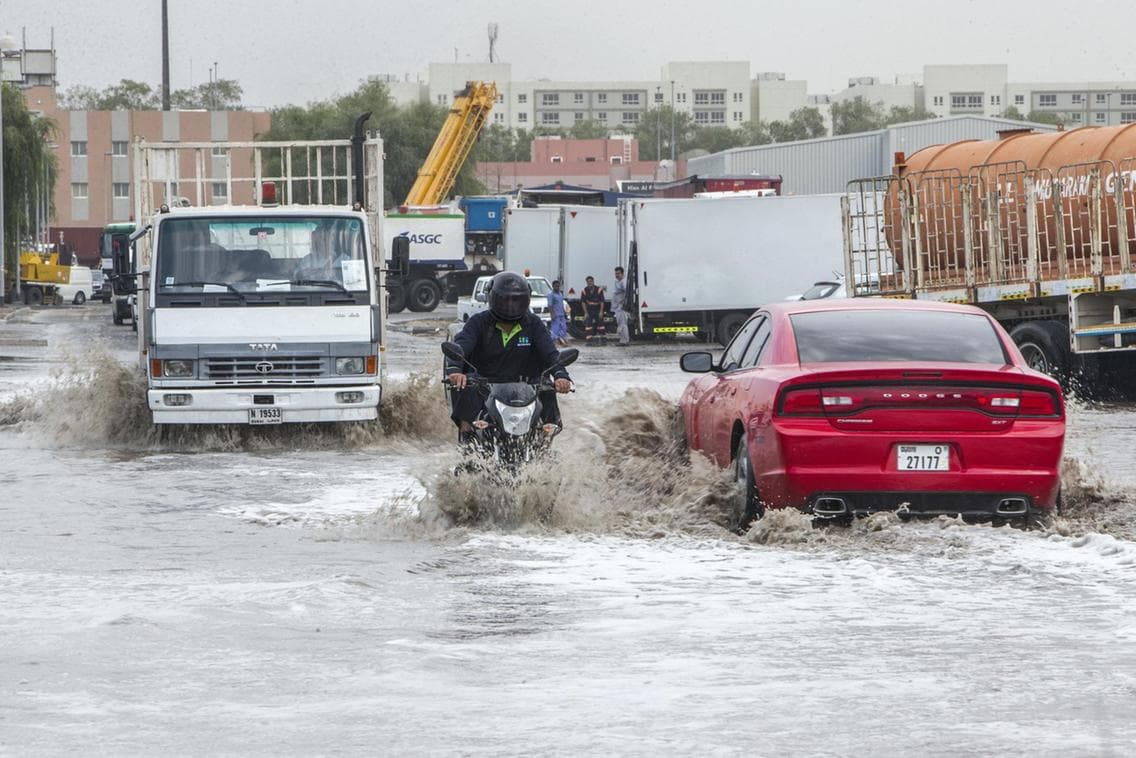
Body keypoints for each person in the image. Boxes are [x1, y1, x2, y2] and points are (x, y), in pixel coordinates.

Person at [446, 271, 573, 439]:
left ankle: (544, 443)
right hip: (485, 388)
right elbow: (461, 346)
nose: (510, 305)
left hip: (527, 388)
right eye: (504, 300)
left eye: (516, 300)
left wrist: (560, 376)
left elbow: (550, 354)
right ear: (492, 298)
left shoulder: (534, 324)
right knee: (467, 387)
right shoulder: (478, 322)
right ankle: (468, 443)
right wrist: (455, 370)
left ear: (526, 299)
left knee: (547, 388)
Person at [580, 275, 606, 343]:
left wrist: (601, 312)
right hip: (589, 310)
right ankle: (589, 340)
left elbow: (602, 302)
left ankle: (602, 340)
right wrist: (585, 313)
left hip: (597, 310)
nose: (590, 283)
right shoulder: (584, 290)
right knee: (588, 326)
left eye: (591, 281)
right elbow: (583, 303)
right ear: (586, 282)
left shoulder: (599, 289)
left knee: (600, 325)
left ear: (593, 281)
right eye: (588, 281)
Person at [547, 279, 570, 347]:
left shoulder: (560, 294)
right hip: (556, 315)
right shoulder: (551, 295)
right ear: (553, 286)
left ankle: (562, 341)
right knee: (555, 328)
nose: (557, 287)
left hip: (561, 314)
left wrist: (565, 313)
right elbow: (550, 305)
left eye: (558, 286)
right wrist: (552, 314)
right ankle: (554, 342)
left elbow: (562, 304)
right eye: (556, 286)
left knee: (563, 328)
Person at [612, 266, 630, 346]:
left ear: (622, 273)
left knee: (623, 324)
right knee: (620, 323)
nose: (617, 275)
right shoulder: (617, 282)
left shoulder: (623, 282)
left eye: (618, 273)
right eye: (616, 273)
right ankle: (622, 340)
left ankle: (624, 341)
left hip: (621, 306)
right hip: (617, 306)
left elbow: (627, 294)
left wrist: (623, 304)